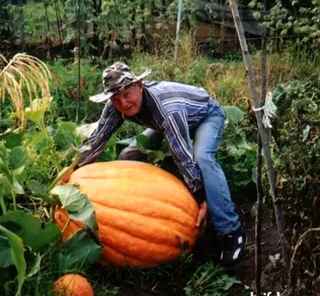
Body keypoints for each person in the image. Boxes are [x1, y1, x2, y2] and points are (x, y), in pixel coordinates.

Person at [76, 62, 246, 266]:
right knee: (128, 155)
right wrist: (74, 170)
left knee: (202, 158)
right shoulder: (116, 106)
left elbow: (183, 155)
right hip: (163, 124)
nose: (123, 103)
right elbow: (97, 141)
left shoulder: (167, 109)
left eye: (127, 94)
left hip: (205, 116)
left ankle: (230, 231)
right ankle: (139, 211)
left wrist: (201, 199)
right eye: (116, 98)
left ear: (140, 85)